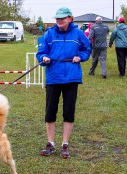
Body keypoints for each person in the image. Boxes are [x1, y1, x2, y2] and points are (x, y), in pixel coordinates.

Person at [36, 7, 91, 159]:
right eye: (57, 18)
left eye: (62, 18)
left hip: (71, 77)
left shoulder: (78, 34)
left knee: (68, 111)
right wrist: (44, 58)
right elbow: (40, 53)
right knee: (50, 112)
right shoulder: (49, 34)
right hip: (53, 77)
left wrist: (80, 57)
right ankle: (50, 143)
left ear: (70, 19)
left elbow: (87, 49)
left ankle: (65, 144)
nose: (59, 20)